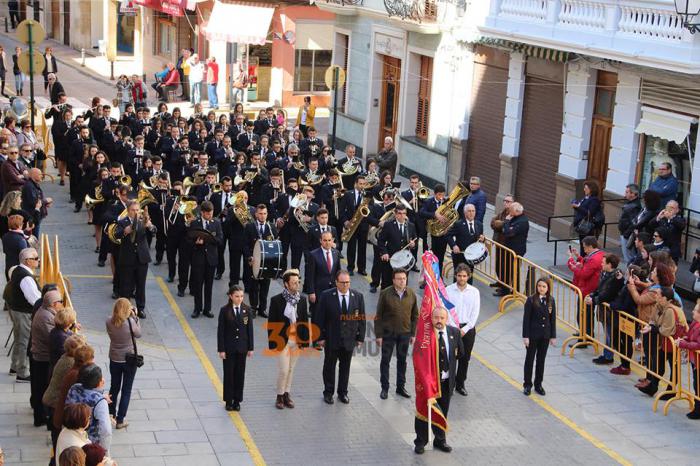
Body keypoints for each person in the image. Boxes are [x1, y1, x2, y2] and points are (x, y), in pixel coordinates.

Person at [413, 306, 463, 454]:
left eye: (442, 318)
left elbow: (460, 353)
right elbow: (418, 357)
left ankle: (440, 440)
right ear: (431, 318)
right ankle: (420, 441)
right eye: (436, 317)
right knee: (424, 411)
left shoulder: (454, 332)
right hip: (430, 383)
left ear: (446, 319)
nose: (439, 321)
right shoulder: (425, 335)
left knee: (443, 411)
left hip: (446, 382)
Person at [316, 270, 366, 405]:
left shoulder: (358, 296)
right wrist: (320, 337)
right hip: (332, 339)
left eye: (348, 282)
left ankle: (342, 392)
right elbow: (319, 319)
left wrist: (360, 338)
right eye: (342, 283)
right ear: (336, 283)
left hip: (349, 340)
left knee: (345, 367)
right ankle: (328, 392)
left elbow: (361, 319)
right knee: (329, 367)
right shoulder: (326, 296)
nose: (345, 285)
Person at [267, 269, 309, 409]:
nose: (297, 285)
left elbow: (304, 320)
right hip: (283, 341)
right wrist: (273, 344)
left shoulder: (302, 300)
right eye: (294, 283)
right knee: (284, 370)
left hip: (296, 340)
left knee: (291, 369)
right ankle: (279, 395)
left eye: (298, 282)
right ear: (286, 284)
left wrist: (304, 341)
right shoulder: (277, 300)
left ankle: (286, 394)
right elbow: (272, 324)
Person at [375, 269, 418, 400]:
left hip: (405, 333)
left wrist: (413, 333)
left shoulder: (411, 294)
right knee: (385, 361)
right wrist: (379, 335)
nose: (402, 281)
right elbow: (379, 316)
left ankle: (400, 387)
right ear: (393, 280)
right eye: (399, 278)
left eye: (404, 278)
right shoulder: (385, 293)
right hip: (388, 334)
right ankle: (385, 388)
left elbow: (415, 315)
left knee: (402, 361)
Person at [637, 287, 687, 397]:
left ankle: (671, 391)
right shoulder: (658, 306)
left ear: (666, 298)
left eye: (658, 295)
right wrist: (650, 326)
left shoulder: (670, 310)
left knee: (673, 366)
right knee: (659, 364)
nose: (655, 296)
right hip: (666, 341)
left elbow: (667, 330)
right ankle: (652, 387)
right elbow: (653, 320)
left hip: (676, 342)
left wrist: (652, 328)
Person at [6, 247, 41, 382]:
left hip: (17, 310)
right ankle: (22, 372)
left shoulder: (17, 270)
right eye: (36, 258)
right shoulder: (26, 277)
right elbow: (33, 299)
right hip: (23, 312)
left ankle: (14, 366)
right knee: (23, 341)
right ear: (27, 261)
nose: (38, 261)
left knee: (19, 337)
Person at [29, 289, 63, 427]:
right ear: (54, 304)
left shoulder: (46, 313)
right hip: (42, 359)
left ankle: (42, 415)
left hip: (40, 356)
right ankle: (42, 417)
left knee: (41, 388)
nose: (62, 304)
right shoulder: (46, 317)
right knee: (42, 389)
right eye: (60, 301)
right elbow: (54, 338)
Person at [115, 199, 154, 318]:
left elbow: (154, 231)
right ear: (128, 210)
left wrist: (150, 226)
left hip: (142, 258)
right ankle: (125, 310)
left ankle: (141, 308)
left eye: (137, 210)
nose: (136, 212)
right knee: (126, 286)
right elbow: (116, 234)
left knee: (141, 285)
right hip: (127, 258)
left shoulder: (143, 221)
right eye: (133, 210)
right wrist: (125, 231)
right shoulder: (122, 222)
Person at [106, 298, 141, 429]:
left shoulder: (108, 321)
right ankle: (120, 420)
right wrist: (136, 317)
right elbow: (139, 334)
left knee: (114, 388)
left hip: (114, 359)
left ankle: (111, 414)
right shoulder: (131, 322)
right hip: (129, 360)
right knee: (126, 390)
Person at [445, 264, 480, 396]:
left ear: (468, 277)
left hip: (468, 328)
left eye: (464, 276)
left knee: (465, 358)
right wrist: (454, 328)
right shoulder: (448, 290)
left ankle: (461, 384)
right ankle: (450, 384)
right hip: (452, 327)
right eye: (459, 276)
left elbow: (475, 314)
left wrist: (465, 329)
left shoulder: (474, 292)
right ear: (455, 276)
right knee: (451, 357)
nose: (462, 278)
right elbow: (446, 310)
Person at [217, 286, 254, 411]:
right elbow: (220, 331)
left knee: (240, 374)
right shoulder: (224, 310)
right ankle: (228, 400)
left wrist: (251, 348)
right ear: (231, 296)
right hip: (229, 349)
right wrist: (221, 349)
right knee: (229, 374)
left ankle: (237, 400)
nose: (240, 299)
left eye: (242, 296)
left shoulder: (247, 310)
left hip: (242, 349)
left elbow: (250, 330)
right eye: (237, 296)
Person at [586, 253, 624, 365]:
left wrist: (594, 300)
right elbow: (600, 288)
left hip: (610, 310)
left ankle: (608, 356)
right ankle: (607, 354)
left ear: (610, 264)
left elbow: (609, 294)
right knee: (607, 333)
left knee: (609, 334)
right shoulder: (604, 273)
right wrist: (593, 295)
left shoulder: (616, 277)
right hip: (603, 309)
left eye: (603, 262)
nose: (601, 264)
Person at [65, 364, 112, 452]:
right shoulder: (100, 401)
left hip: (71, 437)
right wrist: (105, 452)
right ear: (99, 382)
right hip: (90, 445)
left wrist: (100, 396)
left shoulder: (74, 388)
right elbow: (106, 431)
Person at [189, 201, 224, 318]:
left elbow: (220, 240)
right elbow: (188, 240)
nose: (210, 216)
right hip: (198, 259)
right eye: (208, 214)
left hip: (211, 259)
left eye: (211, 213)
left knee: (209, 286)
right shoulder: (195, 223)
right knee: (197, 285)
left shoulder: (216, 223)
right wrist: (196, 243)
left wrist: (208, 239)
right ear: (202, 213)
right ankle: (197, 308)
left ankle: (207, 309)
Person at [522, 277, 557, 396]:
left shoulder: (551, 300)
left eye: (544, 286)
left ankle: (538, 384)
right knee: (530, 360)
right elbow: (526, 319)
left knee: (541, 361)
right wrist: (525, 336)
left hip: (545, 336)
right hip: (533, 335)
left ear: (548, 288)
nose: (541, 288)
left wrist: (553, 336)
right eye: (539, 286)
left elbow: (552, 320)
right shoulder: (531, 300)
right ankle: (527, 384)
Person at [243, 204, 279, 318]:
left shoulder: (271, 227)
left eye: (264, 214)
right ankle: (253, 308)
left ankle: (262, 309)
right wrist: (249, 257)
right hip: (254, 261)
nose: (262, 216)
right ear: (256, 214)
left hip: (267, 262)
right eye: (260, 214)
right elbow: (244, 245)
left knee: (265, 286)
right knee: (254, 287)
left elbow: (276, 245)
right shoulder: (250, 226)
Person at [567, 236, 604, 342]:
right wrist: (578, 257)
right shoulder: (598, 255)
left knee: (584, 314)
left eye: (585, 248)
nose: (584, 250)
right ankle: (584, 332)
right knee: (585, 314)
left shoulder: (594, 259)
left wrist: (571, 260)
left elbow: (583, 274)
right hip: (589, 289)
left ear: (591, 246)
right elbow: (586, 264)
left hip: (587, 291)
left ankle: (585, 336)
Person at [305, 230, 340, 324]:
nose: (327, 243)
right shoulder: (313, 255)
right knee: (317, 318)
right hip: (318, 292)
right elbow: (310, 276)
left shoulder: (336, 253)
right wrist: (311, 292)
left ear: (333, 240)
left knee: (330, 317)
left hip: (333, 290)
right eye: (325, 240)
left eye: (329, 240)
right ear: (320, 241)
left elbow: (338, 273)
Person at [495, 202, 529, 297]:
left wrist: (506, 222)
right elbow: (505, 230)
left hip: (516, 250)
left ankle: (514, 291)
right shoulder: (514, 217)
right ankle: (506, 289)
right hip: (509, 248)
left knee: (513, 270)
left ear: (517, 211)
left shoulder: (522, 222)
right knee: (506, 269)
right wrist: (507, 226)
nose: (509, 212)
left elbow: (507, 232)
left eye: (511, 210)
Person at [340, 175, 370, 276]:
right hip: (352, 224)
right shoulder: (348, 194)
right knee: (351, 247)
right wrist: (345, 222)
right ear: (356, 184)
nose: (362, 186)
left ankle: (362, 268)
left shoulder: (367, 195)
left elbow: (370, 211)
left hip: (363, 225)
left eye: (364, 184)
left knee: (362, 248)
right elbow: (341, 211)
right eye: (360, 184)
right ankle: (350, 267)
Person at [447, 203, 483, 280]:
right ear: (465, 212)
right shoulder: (458, 224)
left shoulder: (479, 224)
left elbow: (479, 240)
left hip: (471, 256)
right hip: (460, 256)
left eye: (473, 211)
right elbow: (448, 235)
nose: (471, 213)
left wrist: (482, 240)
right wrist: (453, 245)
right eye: (469, 211)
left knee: (469, 276)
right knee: (459, 277)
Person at [677, 301, 700, 419]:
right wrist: (685, 338)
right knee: (696, 384)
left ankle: (698, 410)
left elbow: (698, 345)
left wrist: (684, 344)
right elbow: (690, 336)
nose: (692, 311)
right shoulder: (695, 323)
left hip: (698, 361)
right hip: (695, 361)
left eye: (695, 310)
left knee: (698, 385)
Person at [420, 184, 449, 275]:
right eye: (439, 195)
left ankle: (438, 278)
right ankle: (426, 279)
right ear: (435, 194)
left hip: (442, 235)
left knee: (440, 258)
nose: (441, 197)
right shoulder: (428, 202)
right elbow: (422, 212)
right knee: (429, 258)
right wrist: (434, 214)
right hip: (430, 235)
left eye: (443, 195)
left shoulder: (446, 202)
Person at [572, 180, 602, 254]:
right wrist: (576, 206)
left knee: (586, 246)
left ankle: (584, 260)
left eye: (586, 188)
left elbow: (590, 213)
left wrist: (578, 207)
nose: (584, 189)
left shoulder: (594, 200)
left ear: (591, 189)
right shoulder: (586, 198)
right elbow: (582, 208)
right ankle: (583, 260)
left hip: (587, 227)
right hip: (581, 225)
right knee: (583, 245)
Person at [618, 183, 642, 264]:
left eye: (627, 192)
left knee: (629, 257)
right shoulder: (630, 204)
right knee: (627, 256)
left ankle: (630, 274)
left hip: (627, 235)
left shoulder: (634, 206)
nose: (625, 194)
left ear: (633, 194)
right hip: (625, 233)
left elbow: (634, 223)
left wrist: (626, 234)